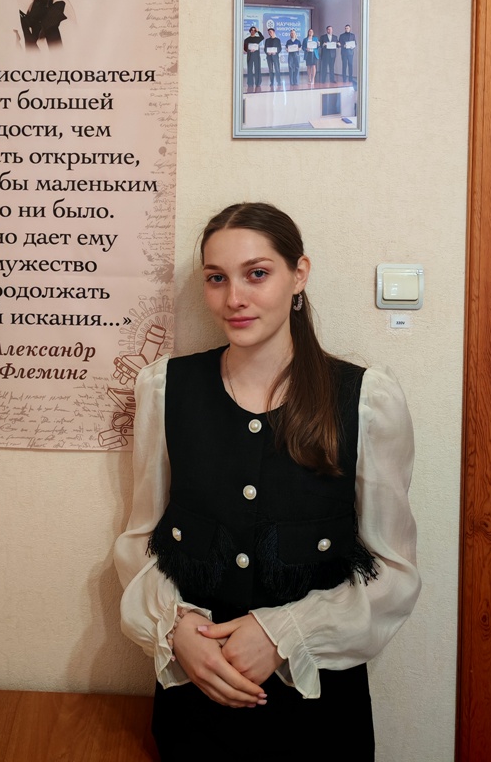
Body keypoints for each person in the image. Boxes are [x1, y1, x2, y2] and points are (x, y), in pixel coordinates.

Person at [114, 203, 421, 761]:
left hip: (319, 712)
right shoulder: (164, 389)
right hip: (193, 702)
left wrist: (285, 633)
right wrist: (176, 628)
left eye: (257, 273)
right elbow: (141, 539)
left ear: (298, 275)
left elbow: (393, 572)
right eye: (217, 278)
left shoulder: (365, 400)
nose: (234, 298)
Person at [243, 26, 263, 92]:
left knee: (257, 68)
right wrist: (249, 50)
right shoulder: (247, 39)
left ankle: (258, 83)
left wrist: (258, 31)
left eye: (254, 30)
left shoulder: (258, 38)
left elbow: (262, 37)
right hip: (250, 55)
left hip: (256, 55)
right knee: (250, 69)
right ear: (250, 31)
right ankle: (250, 83)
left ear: (255, 31)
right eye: (252, 30)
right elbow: (245, 48)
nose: (253, 31)